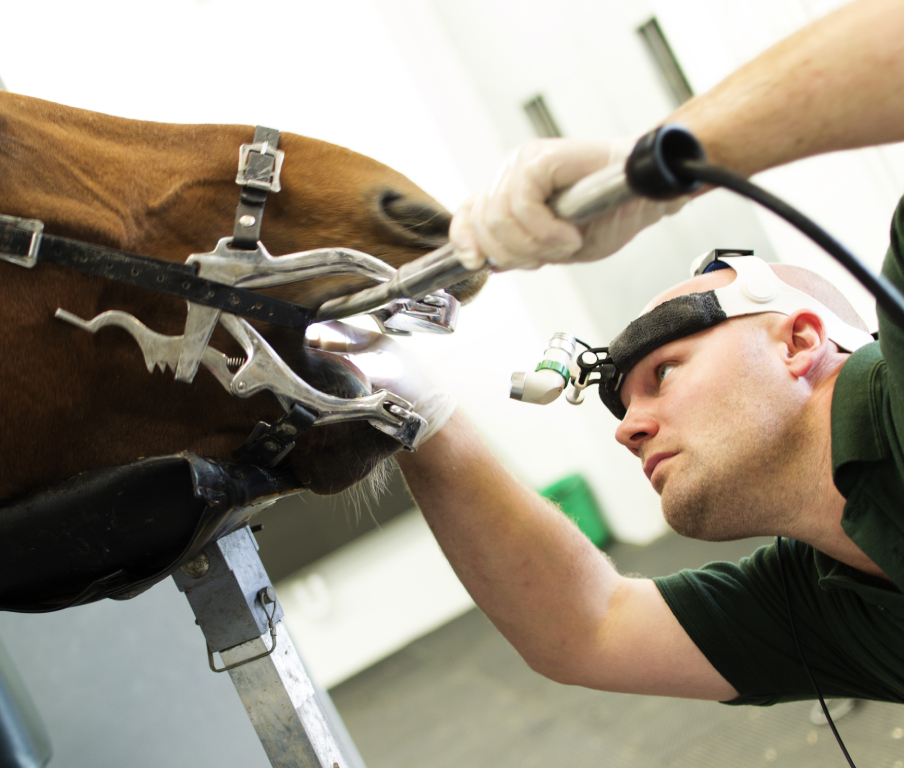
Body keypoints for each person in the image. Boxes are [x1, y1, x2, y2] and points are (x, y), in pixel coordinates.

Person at [313, 0, 904, 705]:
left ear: (800, 342)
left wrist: (666, 163)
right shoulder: (826, 604)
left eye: (664, 371)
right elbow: (585, 629)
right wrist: (411, 399)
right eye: (624, 403)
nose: (626, 427)